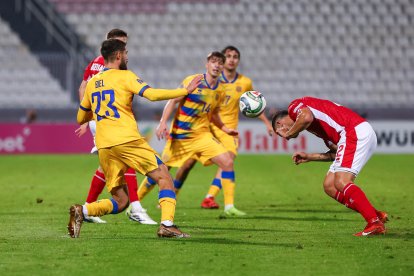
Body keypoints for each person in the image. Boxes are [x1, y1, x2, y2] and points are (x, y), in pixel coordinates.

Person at [68, 38, 202, 238]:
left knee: (121, 201)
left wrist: (95, 112)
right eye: (126, 53)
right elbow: (152, 94)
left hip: (105, 146)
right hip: (127, 140)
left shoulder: (93, 83)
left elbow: (81, 117)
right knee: (164, 176)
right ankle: (167, 224)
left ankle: (83, 211)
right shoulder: (125, 76)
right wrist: (185, 91)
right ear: (119, 55)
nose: (128, 57)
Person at [138, 46, 273, 210]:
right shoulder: (193, 81)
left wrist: (224, 128)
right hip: (181, 136)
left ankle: (228, 206)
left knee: (227, 162)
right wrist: (162, 122)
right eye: (213, 62)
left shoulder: (221, 89)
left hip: (202, 136)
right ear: (207, 64)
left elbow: (214, 113)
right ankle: (135, 203)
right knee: (162, 170)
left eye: (219, 63)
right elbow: (173, 101)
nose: (217, 65)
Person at [272, 96, 388, 236]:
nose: (283, 135)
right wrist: (310, 157)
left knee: (341, 181)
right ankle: (375, 214)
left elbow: (306, 117)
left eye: (279, 132)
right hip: (355, 133)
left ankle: (374, 223)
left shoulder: (294, 107)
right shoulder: (319, 128)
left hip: (353, 130)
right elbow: (336, 153)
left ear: (280, 124)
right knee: (330, 186)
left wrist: (289, 133)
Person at [75, 29, 156, 225]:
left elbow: (82, 87)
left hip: (101, 119)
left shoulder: (95, 63)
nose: (124, 48)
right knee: (125, 160)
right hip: (109, 120)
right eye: (120, 43)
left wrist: (87, 118)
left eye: (125, 44)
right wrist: (88, 119)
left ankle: (88, 208)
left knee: (106, 167)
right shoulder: (110, 66)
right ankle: (135, 206)